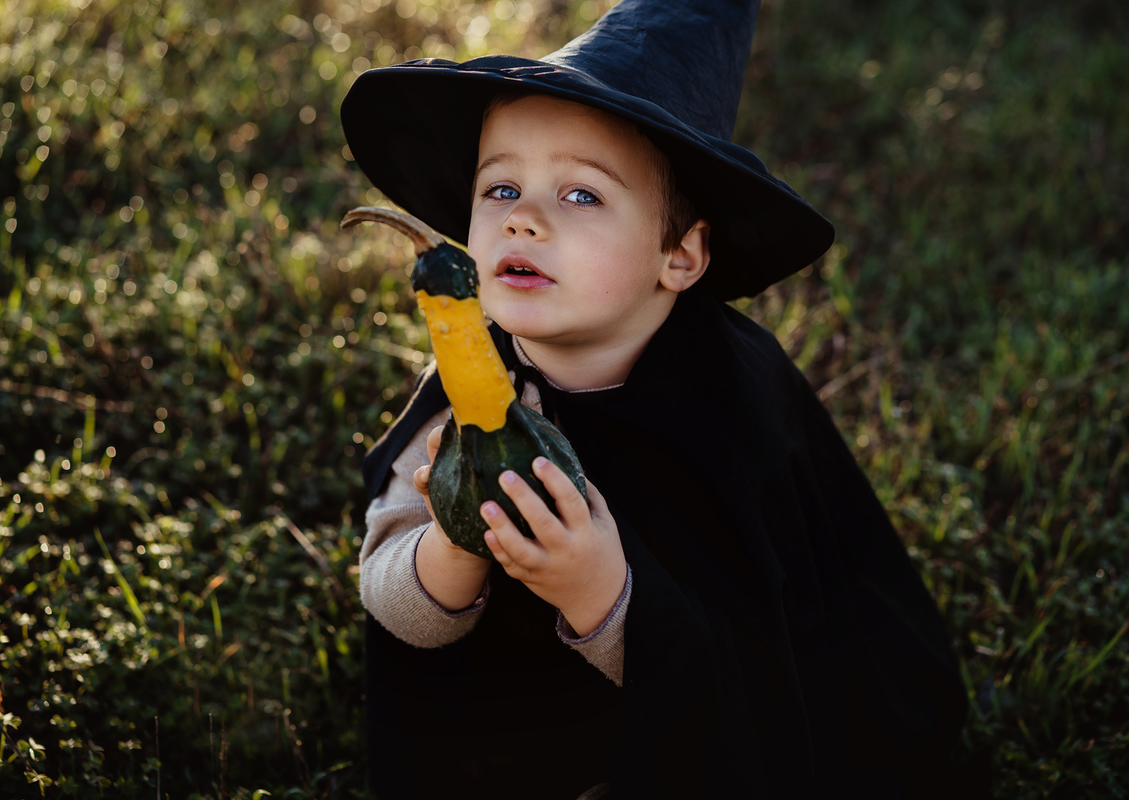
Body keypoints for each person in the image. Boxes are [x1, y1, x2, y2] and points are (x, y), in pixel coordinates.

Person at [341, 1, 971, 798]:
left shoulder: (731, 405)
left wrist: (600, 595)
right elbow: (394, 606)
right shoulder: (466, 385)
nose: (523, 220)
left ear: (680, 255)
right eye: (500, 186)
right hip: (528, 740)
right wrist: (456, 545)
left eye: (581, 197)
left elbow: (759, 654)